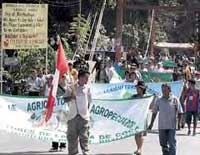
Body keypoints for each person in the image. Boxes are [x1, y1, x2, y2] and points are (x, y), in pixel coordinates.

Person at [148, 83, 183, 155]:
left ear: (169, 90)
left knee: (172, 143)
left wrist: (179, 123)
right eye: (162, 89)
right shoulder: (159, 100)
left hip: (171, 126)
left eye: (165, 89)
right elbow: (154, 112)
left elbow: (180, 112)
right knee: (163, 144)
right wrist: (151, 124)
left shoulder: (175, 99)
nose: (163, 91)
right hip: (162, 126)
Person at [67, 70, 91, 155]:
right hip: (72, 117)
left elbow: (89, 102)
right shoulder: (71, 87)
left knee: (84, 138)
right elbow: (64, 99)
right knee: (72, 139)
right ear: (80, 77)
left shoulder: (87, 88)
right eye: (86, 78)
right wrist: (71, 97)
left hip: (84, 117)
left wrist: (86, 113)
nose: (87, 80)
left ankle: (86, 152)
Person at [132, 81, 147, 155]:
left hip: (142, 117)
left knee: (140, 134)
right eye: (137, 88)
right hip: (135, 117)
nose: (137, 89)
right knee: (136, 134)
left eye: (139, 88)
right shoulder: (134, 97)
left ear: (142, 89)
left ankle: (140, 149)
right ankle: (138, 147)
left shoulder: (146, 97)